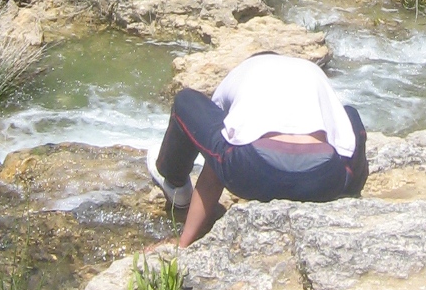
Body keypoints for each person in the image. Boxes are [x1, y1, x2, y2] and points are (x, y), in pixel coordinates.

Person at [146, 53, 368, 247]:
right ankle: (349, 197)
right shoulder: (313, 72)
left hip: (253, 174)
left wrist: (184, 241)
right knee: (350, 114)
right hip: (323, 183)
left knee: (187, 100)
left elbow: (216, 159)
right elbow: (344, 139)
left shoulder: (240, 73)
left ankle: (177, 187)